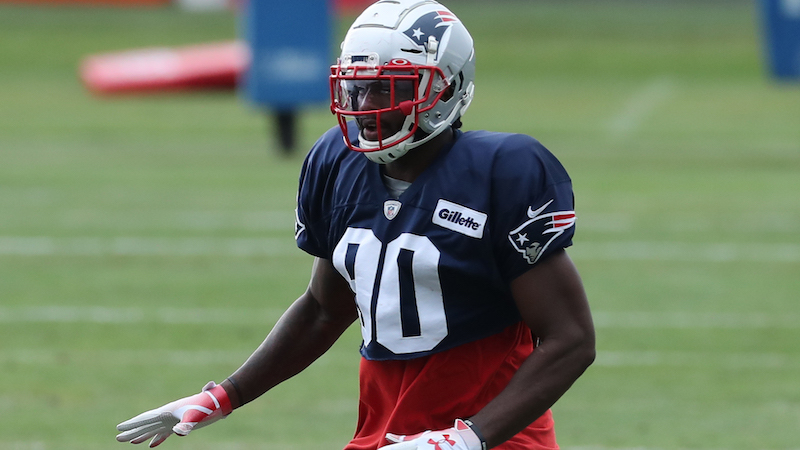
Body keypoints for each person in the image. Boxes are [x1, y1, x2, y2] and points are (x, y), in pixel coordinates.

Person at [114, 0, 596, 449]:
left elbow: (570, 339)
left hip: (494, 439)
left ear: (445, 88)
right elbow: (324, 309)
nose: (365, 104)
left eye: (388, 86)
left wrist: (467, 439)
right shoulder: (335, 161)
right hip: (382, 435)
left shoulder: (501, 171)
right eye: (358, 84)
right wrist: (226, 395)